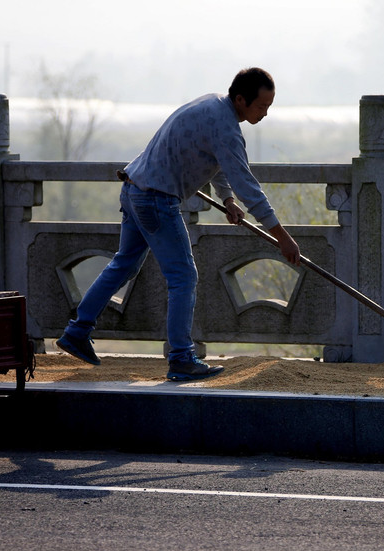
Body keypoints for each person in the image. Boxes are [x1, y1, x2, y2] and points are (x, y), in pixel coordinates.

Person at [56, 67, 300, 381]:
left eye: (268, 107)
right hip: (155, 198)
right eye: (261, 106)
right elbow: (248, 186)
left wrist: (227, 201)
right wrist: (281, 236)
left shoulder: (213, 105)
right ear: (241, 99)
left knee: (125, 264)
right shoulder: (225, 126)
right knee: (183, 275)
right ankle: (182, 357)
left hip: (135, 187)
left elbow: (221, 166)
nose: (265, 113)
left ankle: (77, 330)